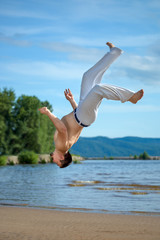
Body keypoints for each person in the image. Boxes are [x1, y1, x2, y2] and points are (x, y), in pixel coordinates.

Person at [38, 42, 144, 168]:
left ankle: (114, 52)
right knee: (98, 89)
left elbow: (75, 124)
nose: (53, 160)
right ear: (61, 158)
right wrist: (48, 113)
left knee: (88, 77)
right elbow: (62, 128)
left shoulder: (66, 144)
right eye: (56, 162)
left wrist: (71, 101)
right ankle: (131, 97)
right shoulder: (61, 146)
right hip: (83, 116)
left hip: (81, 115)